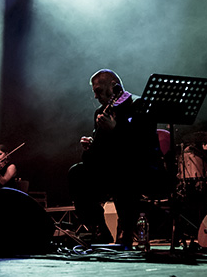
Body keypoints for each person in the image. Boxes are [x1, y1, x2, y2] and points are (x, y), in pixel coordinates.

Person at [68, 69, 164, 246]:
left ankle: (126, 230)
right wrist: (92, 146)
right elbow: (99, 155)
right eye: (94, 92)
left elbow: (144, 145)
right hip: (111, 171)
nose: (96, 96)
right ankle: (99, 229)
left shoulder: (139, 105)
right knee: (77, 173)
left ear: (114, 86)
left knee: (123, 170)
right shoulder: (100, 112)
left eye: (98, 91)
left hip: (138, 168)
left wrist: (115, 130)